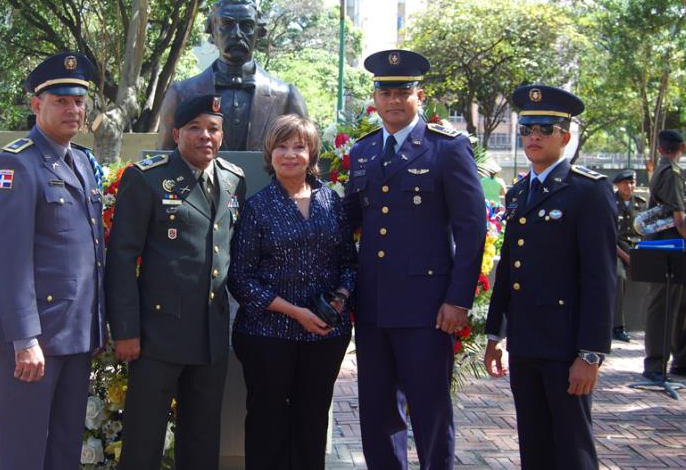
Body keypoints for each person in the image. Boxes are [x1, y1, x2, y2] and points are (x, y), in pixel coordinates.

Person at [343, 49, 487, 470]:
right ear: (375, 98)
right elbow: (349, 222)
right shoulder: (363, 151)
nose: (393, 100)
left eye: (402, 91)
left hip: (428, 308)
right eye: (385, 91)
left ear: (418, 95)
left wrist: (458, 300)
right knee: (377, 413)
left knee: (430, 412)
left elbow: (471, 229)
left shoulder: (447, 149)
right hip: (373, 307)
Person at [106, 94, 247, 470]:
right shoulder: (147, 178)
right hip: (158, 334)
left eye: (213, 129)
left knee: (202, 441)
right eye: (195, 128)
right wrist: (125, 330)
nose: (206, 136)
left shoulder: (233, 180)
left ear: (222, 134)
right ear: (176, 133)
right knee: (143, 439)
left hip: (210, 334)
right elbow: (121, 257)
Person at [0, 52, 106, 469]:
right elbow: (7, 258)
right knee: (24, 452)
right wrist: (24, 339)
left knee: (64, 449)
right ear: (37, 105)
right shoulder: (16, 165)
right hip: (34, 341)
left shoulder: (84, 162)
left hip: (75, 335)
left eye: (79, 101)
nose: (73, 109)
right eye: (61, 101)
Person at [484, 84, 616, 470]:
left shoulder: (588, 191)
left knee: (573, 447)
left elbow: (600, 278)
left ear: (566, 135)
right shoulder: (520, 192)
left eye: (545, 128)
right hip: (525, 344)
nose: (534, 137)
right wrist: (496, 334)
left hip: (566, 346)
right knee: (534, 445)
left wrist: (590, 354)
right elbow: (510, 268)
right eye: (527, 129)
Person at [228, 114, 356, 470]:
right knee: (267, 423)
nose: (289, 154)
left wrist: (340, 299)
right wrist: (296, 312)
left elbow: (349, 261)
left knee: (312, 420)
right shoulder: (257, 207)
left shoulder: (331, 202)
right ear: (269, 154)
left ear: (311, 153)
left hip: (325, 336)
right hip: (267, 335)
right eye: (281, 146)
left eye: (298, 146)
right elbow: (241, 278)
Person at [156, 0, 308, 151]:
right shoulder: (181, 93)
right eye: (226, 24)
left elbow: (306, 158)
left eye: (246, 25)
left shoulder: (287, 96)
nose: (236, 33)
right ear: (212, 31)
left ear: (259, 32)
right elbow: (164, 159)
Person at [641, 129, 686, 381]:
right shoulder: (671, 172)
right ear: (681, 146)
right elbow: (679, 217)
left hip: (672, 246)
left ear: (660, 148)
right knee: (663, 307)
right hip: (667, 246)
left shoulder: (664, 169)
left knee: (681, 306)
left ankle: (682, 361)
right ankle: (655, 365)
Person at [612, 169, 646, 342]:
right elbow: (609, 237)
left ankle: (643, 323)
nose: (629, 186)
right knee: (619, 277)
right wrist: (626, 257)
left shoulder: (640, 204)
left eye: (632, 182)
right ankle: (617, 326)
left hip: (637, 249)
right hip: (616, 250)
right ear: (617, 185)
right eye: (625, 183)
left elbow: (646, 232)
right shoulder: (610, 203)